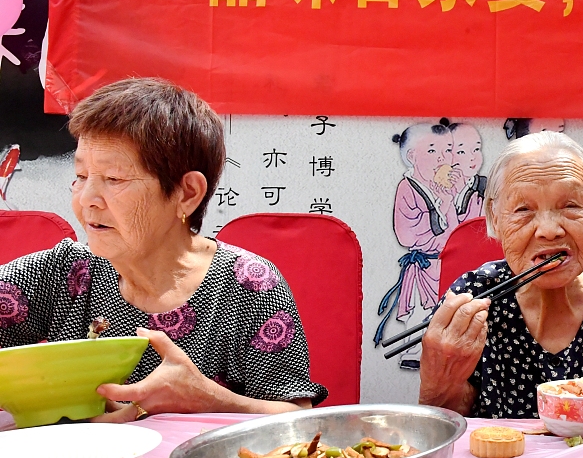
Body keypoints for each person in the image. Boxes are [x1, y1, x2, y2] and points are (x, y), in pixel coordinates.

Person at [0, 78, 326, 421]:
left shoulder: (248, 284)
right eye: (81, 176)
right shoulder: (67, 272)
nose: (86, 200)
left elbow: (296, 419)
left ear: (187, 193)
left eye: (114, 179)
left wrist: (208, 398)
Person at [417, 132, 583, 418]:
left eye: (570, 206)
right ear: (495, 218)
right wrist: (438, 383)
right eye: (523, 209)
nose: (549, 230)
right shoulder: (473, 298)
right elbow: (447, 425)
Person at [375, 120, 461, 369]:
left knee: (444, 311)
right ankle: (412, 353)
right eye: (432, 150)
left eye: (447, 150)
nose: (442, 158)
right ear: (412, 157)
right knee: (417, 312)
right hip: (422, 263)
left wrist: (448, 200)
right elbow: (407, 234)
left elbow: (454, 230)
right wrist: (442, 210)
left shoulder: (446, 188)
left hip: (443, 263)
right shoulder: (408, 187)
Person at [450, 122, 487, 221]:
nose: (472, 157)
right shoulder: (442, 188)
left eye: (476, 149)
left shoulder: (485, 186)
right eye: (461, 152)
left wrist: (462, 190)